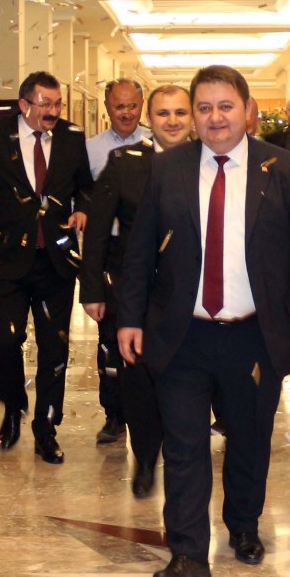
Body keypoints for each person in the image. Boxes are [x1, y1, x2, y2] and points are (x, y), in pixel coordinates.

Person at [117, 65, 290, 577]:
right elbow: (140, 250)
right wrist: (129, 317)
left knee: (248, 438)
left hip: (254, 336)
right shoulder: (167, 168)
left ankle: (243, 526)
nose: (215, 117)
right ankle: (187, 552)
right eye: (204, 107)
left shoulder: (283, 168)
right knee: (183, 445)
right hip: (183, 334)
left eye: (225, 106)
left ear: (248, 110)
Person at [0, 71, 93, 465]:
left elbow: (85, 186)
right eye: (45, 103)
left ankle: (46, 429)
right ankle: (13, 407)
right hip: (5, 261)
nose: (53, 111)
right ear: (24, 104)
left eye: (57, 103)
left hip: (56, 261)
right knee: (3, 341)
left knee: (54, 347)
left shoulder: (71, 136)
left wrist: (83, 207)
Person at [80, 84, 193, 497]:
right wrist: (92, 289)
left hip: (193, 292)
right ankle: (145, 457)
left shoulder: (211, 161)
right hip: (137, 292)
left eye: (180, 113)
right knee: (139, 378)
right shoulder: (124, 163)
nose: (172, 122)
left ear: (192, 117)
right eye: (163, 114)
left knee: (187, 379)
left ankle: (183, 459)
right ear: (151, 118)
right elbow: (97, 230)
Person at [85, 78, 146, 444]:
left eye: (132, 106)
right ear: (107, 108)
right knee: (109, 337)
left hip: (147, 254)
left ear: (141, 106)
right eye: (119, 106)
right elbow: (80, 197)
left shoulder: (156, 146)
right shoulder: (90, 149)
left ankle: (151, 411)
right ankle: (114, 414)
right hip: (108, 254)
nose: (126, 113)